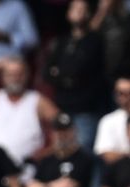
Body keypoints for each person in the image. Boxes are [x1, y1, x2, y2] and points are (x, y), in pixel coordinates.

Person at [44, 0, 108, 150]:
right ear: (68, 13)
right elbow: (47, 73)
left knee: (84, 150)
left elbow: (83, 69)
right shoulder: (61, 42)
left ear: (89, 14)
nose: (78, 11)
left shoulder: (94, 41)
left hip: (86, 108)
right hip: (62, 106)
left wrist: (62, 73)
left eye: (82, 9)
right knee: (61, 150)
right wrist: (68, 76)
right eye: (75, 8)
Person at [0, 57, 59, 166]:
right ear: (3, 77)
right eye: (10, 74)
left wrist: (47, 152)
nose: (15, 78)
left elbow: (62, 124)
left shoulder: (37, 101)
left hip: (27, 170)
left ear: (27, 75)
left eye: (19, 74)